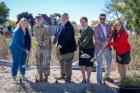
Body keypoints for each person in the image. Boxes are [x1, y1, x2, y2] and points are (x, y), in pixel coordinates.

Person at [56, 13, 76, 83]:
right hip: (61, 49)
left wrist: (59, 46)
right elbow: (58, 36)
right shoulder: (62, 25)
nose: (63, 18)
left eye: (65, 17)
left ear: (68, 18)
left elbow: (68, 38)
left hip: (68, 49)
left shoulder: (69, 26)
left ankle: (68, 78)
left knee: (68, 64)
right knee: (61, 63)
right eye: (62, 17)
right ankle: (62, 75)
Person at [94, 13, 112, 84]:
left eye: (103, 19)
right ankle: (99, 81)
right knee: (99, 64)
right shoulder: (96, 27)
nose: (102, 20)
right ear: (99, 18)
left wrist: (107, 42)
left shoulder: (108, 26)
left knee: (109, 61)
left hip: (107, 46)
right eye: (100, 18)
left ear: (105, 19)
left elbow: (110, 35)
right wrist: (103, 44)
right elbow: (96, 38)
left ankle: (106, 76)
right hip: (98, 47)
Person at [34, 15, 52, 82]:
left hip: (46, 48)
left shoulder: (46, 28)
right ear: (35, 21)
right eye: (37, 20)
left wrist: (40, 44)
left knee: (46, 62)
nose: (38, 21)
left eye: (39, 20)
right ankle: (40, 76)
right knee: (38, 62)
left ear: (42, 20)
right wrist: (38, 45)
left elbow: (47, 40)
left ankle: (46, 77)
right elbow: (36, 38)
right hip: (38, 48)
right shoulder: (34, 27)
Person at [78, 17, 95, 83]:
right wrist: (78, 45)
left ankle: (88, 79)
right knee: (81, 64)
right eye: (81, 22)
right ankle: (84, 79)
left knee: (88, 65)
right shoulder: (80, 30)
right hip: (82, 49)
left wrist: (80, 46)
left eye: (83, 22)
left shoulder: (90, 30)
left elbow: (87, 40)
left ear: (87, 22)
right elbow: (79, 39)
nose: (82, 23)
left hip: (89, 49)